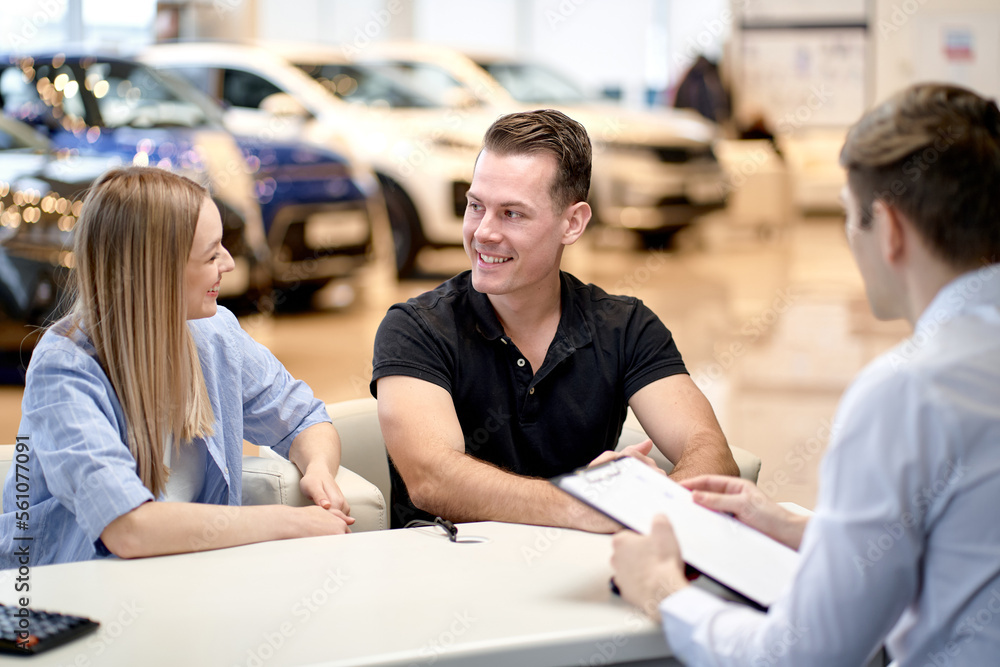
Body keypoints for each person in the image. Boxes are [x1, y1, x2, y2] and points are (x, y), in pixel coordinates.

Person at [611, 83, 1000, 665]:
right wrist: (800, 527)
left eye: (850, 216)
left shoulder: (910, 391)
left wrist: (663, 590)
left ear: (889, 228)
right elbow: (968, 542)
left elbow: (803, 656)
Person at [372, 109, 739, 530]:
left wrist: (657, 505)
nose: (483, 232)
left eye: (512, 213)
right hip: (448, 577)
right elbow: (433, 479)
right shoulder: (415, 328)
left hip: (588, 572)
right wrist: (586, 505)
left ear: (573, 223)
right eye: (475, 206)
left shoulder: (626, 327)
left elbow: (709, 450)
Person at [1, 166, 353, 568]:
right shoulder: (64, 369)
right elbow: (128, 528)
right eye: (212, 253)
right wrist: (289, 524)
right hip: (70, 597)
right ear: (158, 272)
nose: (229, 264)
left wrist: (319, 470)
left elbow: (304, 418)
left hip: (184, 584)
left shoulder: (214, 332)